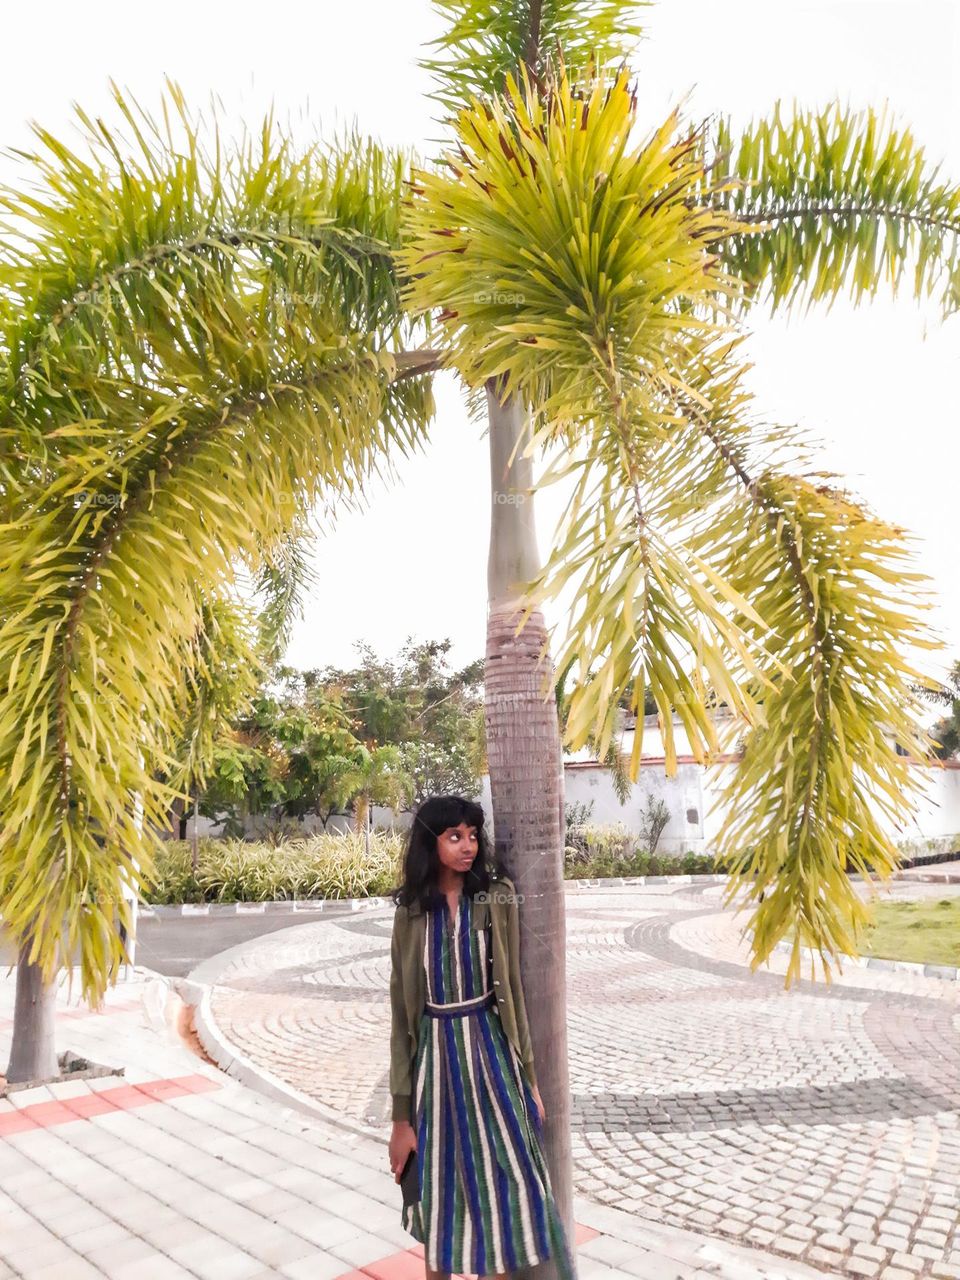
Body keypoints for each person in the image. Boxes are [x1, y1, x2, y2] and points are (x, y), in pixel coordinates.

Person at [387, 793, 575, 1280]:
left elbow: (509, 987)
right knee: (440, 1190)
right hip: (437, 1067)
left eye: (473, 835)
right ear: (431, 844)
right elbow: (401, 1017)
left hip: (492, 1058)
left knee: (504, 1189)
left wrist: (528, 1078)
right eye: (455, 836)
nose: (468, 846)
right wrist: (401, 1119)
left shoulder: (495, 899)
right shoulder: (410, 915)